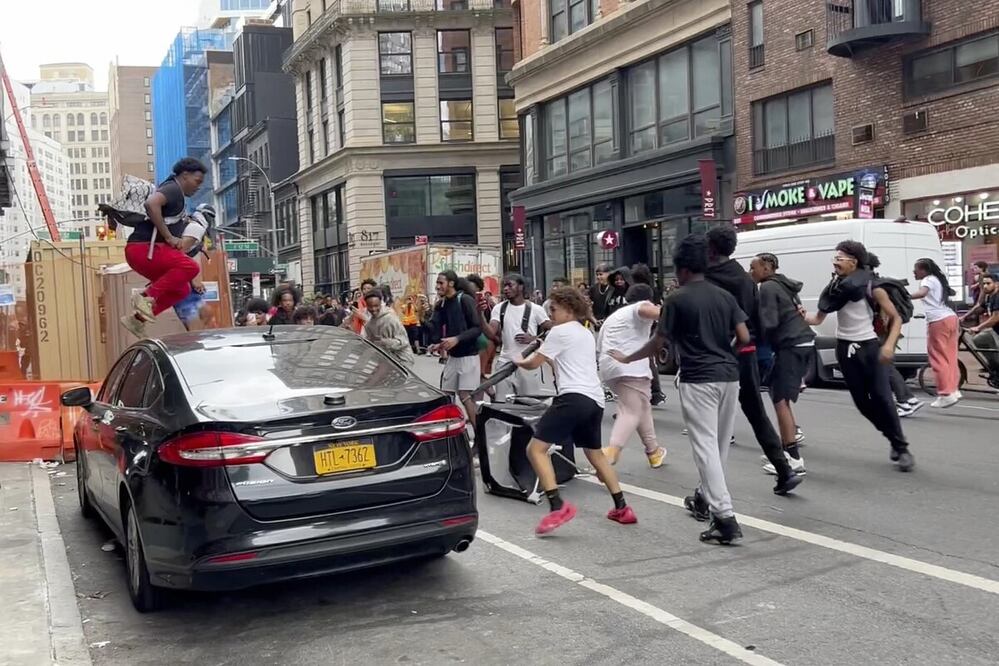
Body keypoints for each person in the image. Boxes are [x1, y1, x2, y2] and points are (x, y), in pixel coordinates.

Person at [611, 234, 753, 544]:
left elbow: (658, 343)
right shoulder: (724, 296)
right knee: (719, 445)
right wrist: (723, 351)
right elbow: (744, 337)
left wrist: (627, 358)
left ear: (683, 269)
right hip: (729, 375)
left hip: (698, 376)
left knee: (705, 447)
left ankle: (724, 516)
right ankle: (706, 498)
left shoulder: (677, 299)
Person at [512, 286, 636, 535]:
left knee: (535, 449)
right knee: (595, 454)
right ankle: (622, 507)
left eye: (554, 309)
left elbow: (533, 363)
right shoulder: (585, 332)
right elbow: (563, 362)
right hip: (594, 400)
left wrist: (518, 360)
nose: (551, 314)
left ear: (569, 309)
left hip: (572, 398)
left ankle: (557, 506)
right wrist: (546, 352)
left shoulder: (559, 332)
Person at [801, 240, 915, 472]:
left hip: (870, 347)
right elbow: (817, 319)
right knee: (862, 403)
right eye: (835, 258)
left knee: (883, 398)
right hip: (844, 349)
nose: (835, 262)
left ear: (853, 262)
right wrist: (800, 314)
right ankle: (892, 436)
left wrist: (889, 346)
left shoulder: (872, 287)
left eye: (839, 258)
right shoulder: (835, 288)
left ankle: (901, 447)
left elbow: (896, 318)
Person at [705, 226, 801, 495]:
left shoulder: (707, 277)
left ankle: (708, 491)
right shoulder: (744, 279)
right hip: (746, 350)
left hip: (717, 355)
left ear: (710, 248)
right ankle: (784, 469)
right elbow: (756, 319)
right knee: (756, 412)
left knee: (709, 423)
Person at [121, 157, 206, 337]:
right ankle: (145, 297)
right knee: (190, 267)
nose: (198, 187)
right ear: (184, 175)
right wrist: (168, 236)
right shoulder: (173, 189)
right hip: (142, 249)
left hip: (141, 252)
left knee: (181, 289)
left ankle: (137, 320)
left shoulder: (175, 193)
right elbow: (151, 204)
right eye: (197, 181)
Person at [750, 253, 815, 476]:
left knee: (780, 400)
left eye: (753, 267)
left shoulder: (767, 287)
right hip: (801, 341)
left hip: (791, 344)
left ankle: (793, 459)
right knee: (779, 396)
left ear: (767, 268)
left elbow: (769, 322)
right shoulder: (784, 284)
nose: (751, 272)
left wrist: (748, 331)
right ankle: (785, 450)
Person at [598, 283, 666, 468]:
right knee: (630, 410)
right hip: (631, 368)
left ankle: (653, 451)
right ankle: (612, 451)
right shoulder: (641, 307)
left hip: (609, 368)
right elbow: (654, 312)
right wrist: (671, 311)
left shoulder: (616, 316)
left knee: (641, 407)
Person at [866, 253, 925, 417]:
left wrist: (884, 334)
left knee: (884, 366)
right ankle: (907, 399)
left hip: (881, 331)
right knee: (885, 366)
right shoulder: (877, 281)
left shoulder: (874, 286)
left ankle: (904, 401)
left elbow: (885, 313)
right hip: (885, 330)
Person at [430, 271, 483, 428]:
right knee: (447, 394)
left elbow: (477, 328)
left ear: (451, 283)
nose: (437, 286)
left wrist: (457, 339)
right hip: (453, 357)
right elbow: (435, 330)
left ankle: (479, 437)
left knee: (465, 395)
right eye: (437, 283)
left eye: (441, 283)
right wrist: (438, 344)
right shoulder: (442, 304)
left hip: (469, 356)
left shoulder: (464, 300)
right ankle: (451, 433)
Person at [488, 273, 551, 402]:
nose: (506, 289)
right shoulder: (499, 308)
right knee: (502, 404)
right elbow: (491, 332)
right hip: (505, 362)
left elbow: (552, 330)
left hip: (528, 363)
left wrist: (534, 338)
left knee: (528, 403)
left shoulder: (536, 309)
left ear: (521, 287)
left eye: (510, 285)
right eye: (504, 286)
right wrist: (478, 314)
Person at [911, 257, 961, 408]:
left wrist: (904, 296)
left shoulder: (927, 280)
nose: (914, 272)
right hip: (951, 318)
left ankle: (946, 394)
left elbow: (922, 293)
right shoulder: (938, 280)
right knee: (950, 356)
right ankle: (954, 390)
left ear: (924, 270)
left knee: (938, 358)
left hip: (938, 320)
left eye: (916, 269)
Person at [630, 263, 666, 406]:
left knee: (644, 359)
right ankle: (654, 392)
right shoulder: (653, 289)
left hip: (642, 326)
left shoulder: (636, 290)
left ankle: (652, 392)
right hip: (651, 325)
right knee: (648, 359)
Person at [365, 289, 415, 366]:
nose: (373, 309)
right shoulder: (369, 325)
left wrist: (385, 342)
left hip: (402, 360)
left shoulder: (391, 319)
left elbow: (404, 341)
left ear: (380, 303)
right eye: (370, 306)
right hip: (385, 361)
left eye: (376, 306)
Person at [968, 273, 999, 377]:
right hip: (995, 330)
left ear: (997, 284)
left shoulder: (998, 297)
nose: (985, 286)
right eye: (984, 284)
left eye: (988, 283)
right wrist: (963, 317)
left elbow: (995, 318)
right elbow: (979, 309)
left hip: (996, 331)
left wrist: (978, 327)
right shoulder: (989, 296)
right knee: (979, 339)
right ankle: (994, 365)